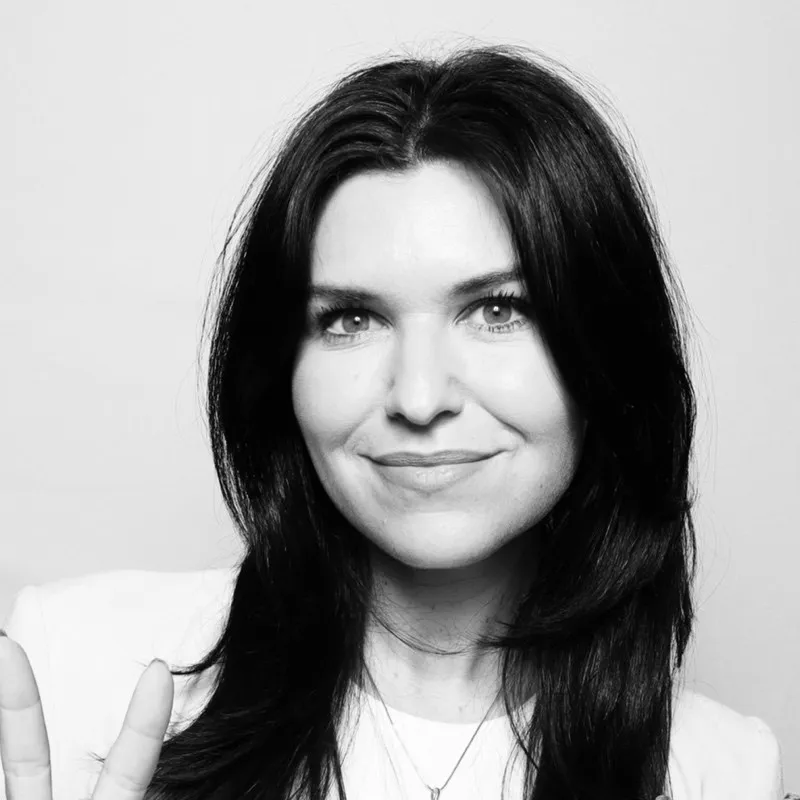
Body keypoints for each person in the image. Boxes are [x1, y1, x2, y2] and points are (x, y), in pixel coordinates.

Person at [0, 43, 789, 800]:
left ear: (606, 350)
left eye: (498, 309)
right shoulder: (71, 671)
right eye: (350, 319)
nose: (417, 397)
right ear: (279, 371)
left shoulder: (720, 773)